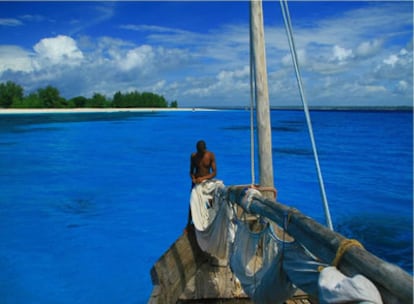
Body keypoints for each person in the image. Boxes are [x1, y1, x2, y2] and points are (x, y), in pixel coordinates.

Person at [186, 140, 217, 229]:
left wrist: (203, 179)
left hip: (207, 181)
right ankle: (189, 223)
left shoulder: (210, 155)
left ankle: (211, 220)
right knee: (192, 201)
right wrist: (193, 179)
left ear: (205, 149)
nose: (200, 154)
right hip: (196, 182)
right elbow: (191, 171)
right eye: (199, 152)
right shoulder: (193, 156)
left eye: (202, 152)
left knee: (211, 200)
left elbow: (214, 172)